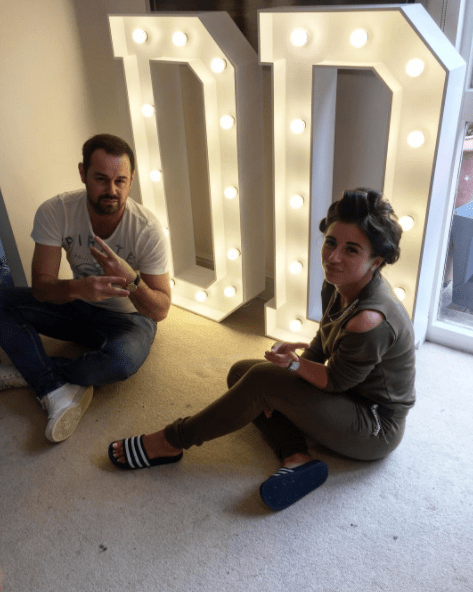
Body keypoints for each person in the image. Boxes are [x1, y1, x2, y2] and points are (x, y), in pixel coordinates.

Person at [108, 189, 416, 511]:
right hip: (347, 396)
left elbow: (336, 381)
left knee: (260, 383)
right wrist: (291, 369)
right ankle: (296, 456)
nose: (333, 257)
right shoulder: (338, 284)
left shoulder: (369, 319)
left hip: (374, 425)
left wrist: (293, 369)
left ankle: (172, 441)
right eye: (330, 242)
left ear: (375, 261)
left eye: (351, 249)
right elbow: (322, 345)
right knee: (242, 373)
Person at [0, 134, 171, 442]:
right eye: (101, 179)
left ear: (132, 179)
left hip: (131, 319)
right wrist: (79, 289)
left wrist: (131, 281)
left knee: (121, 362)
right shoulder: (55, 211)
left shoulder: (147, 230)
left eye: (121, 181)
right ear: (83, 173)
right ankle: (54, 387)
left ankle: (37, 372)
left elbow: (160, 310)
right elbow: (41, 288)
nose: (112, 190)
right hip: (77, 304)